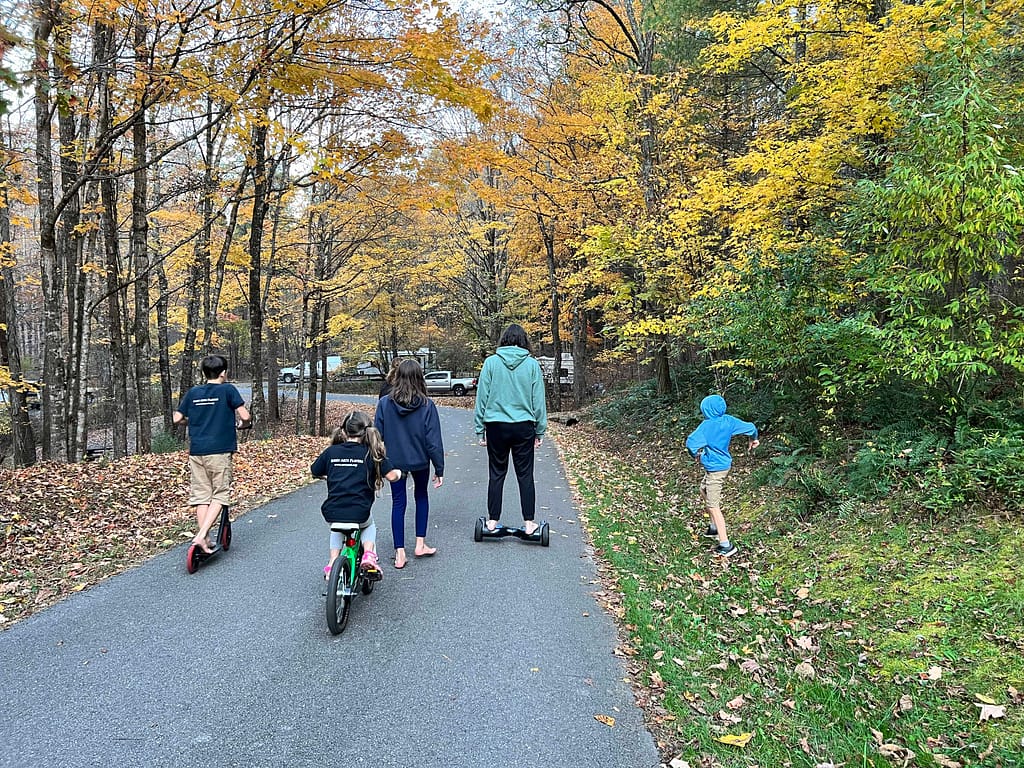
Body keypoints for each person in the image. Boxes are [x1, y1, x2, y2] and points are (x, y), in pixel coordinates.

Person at [473, 323, 548, 536]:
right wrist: (540, 430)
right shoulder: (532, 365)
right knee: (525, 475)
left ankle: (492, 521)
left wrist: (480, 429)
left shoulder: (491, 363)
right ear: (524, 341)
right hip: (524, 426)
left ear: (503, 340)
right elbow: (538, 401)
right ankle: (529, 523)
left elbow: (482, 398)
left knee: (496, 473)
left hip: (496, 425)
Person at [172, 355, 251, 554]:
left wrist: (190, 423)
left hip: (197, 451)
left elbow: (177, 418)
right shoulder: (227, 390)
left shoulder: (193, 392)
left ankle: (205, 538)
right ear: (224, 373)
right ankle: (201, 536)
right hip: (220, 450)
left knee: (202, 495)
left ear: (203, 373)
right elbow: (245, 416)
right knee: (220, 494)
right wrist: (243, 425)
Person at [310, 410, 401, 580]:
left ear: (343, 431)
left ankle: (332, 563)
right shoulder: (371, 453)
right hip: (360, 512)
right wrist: (399, 473)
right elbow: (392, 476)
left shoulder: (332, 452)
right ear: (366, 432)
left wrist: (330, 474)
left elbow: (315, 471)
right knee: (368, 525)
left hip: (332, 511)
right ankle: (368, 555)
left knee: (337, 527)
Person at [374, 359, 444, 569]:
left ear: (397, 377)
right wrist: (439, 468)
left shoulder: (385, 403)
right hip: (420, 460)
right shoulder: (426, 405)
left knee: (398, 503)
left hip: (394, 461)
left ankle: (400, 553)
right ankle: (420, 544)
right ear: (419, 378)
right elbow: (433, 441)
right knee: (421, 496)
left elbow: (377, 435)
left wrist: (378, 463)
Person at [685, 394, 759, 557]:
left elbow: (691, 443)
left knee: (713, 505)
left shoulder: (706, 426)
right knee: (703, 490)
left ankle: (726, 544)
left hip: (716, 470)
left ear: (706, 410)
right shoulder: (729, 421)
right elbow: (751, 427)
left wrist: (695, 454)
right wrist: (753, 439)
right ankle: (713, 527)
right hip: (721, 466)